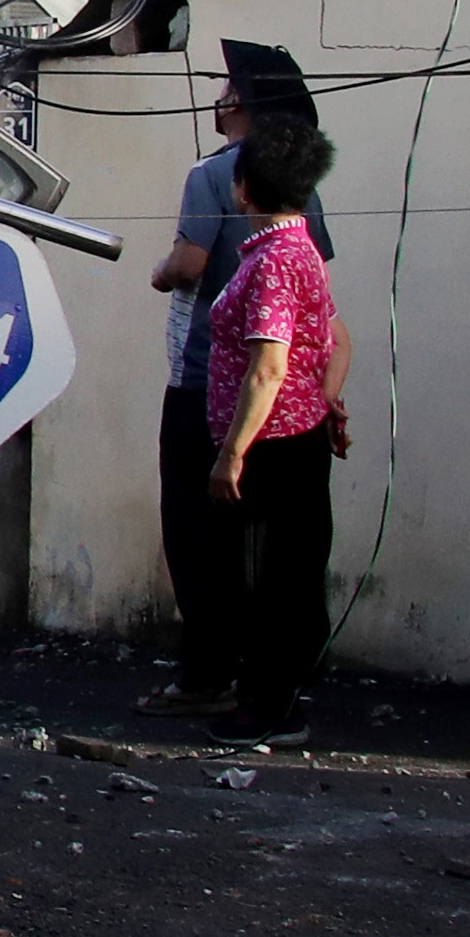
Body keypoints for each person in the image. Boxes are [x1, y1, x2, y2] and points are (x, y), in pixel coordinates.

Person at [141, 44, 333, 717]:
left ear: (241, 107)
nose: (219, 97)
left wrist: (162, 270)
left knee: (199, 532)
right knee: (278, 550)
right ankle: (262, 677)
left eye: (227, 89)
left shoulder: (215, 175)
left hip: (214, 388)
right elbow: (326, 317)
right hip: (295, 407)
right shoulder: (300, 202)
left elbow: (192, 266)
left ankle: (213, 674)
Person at [203, 116, 351, 752]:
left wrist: (231, 453)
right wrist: (324, 400)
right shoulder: (300, 253)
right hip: (299, 431)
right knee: (287, 574)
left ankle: (271, 707)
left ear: (242, 190)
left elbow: (268, 365)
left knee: (271, 580)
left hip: (272, 446)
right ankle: (273, 696)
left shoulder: (274, 263)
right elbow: (337, 340)